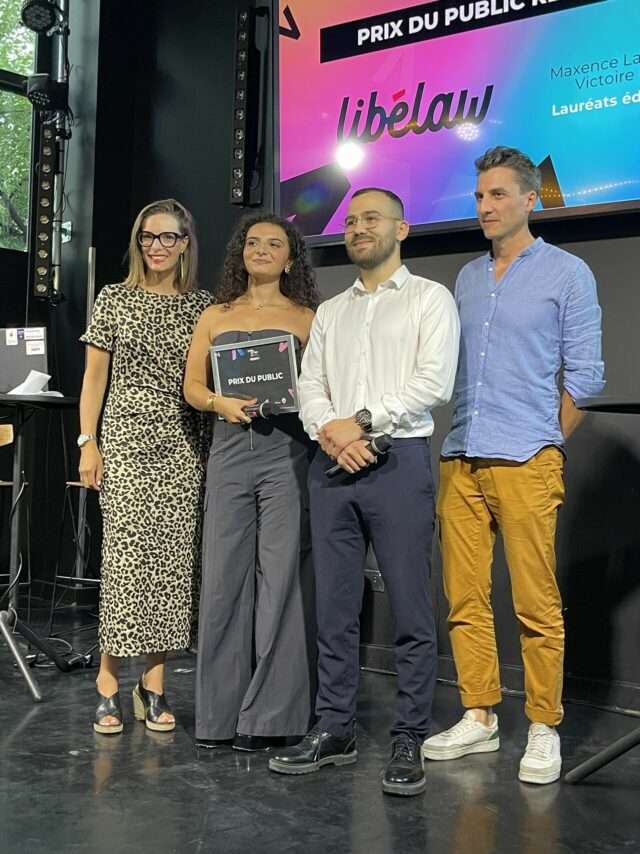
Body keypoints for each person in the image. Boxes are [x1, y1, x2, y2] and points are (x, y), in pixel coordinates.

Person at [422, 146, 605, 784]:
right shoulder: (468, 277)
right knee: (466, 598)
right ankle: (479, 713)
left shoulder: (567, 272)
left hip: (527, 457)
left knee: (535, 602)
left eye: (498, 195)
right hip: (461, 456)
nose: (485, 207)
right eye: (478, 197)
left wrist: (545, 441)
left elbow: (584, 376)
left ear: (531, 199)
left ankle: (544, 725)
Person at [268, 188, 460, 796]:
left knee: (410, 605)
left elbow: (434, 382)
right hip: (332, 462)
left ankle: (409, 734)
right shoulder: (331, 311)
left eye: (370, 219)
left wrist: (365, 423)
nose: (356, 228)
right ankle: (335, 729)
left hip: (398, 462)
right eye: (350, 221)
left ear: (401, 229)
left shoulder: (432, 299)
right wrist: (333, 433)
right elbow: (310, 388)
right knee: (335, 607)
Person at [183, 213, 319, 751]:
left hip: (289, 453)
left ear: (290, 259)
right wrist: (220, 402)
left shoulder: (309, 317)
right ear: (241, 253)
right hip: (230, 451)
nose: (261, 250)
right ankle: (218, 717)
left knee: (281, 578)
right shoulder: (214, 315)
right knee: (222, 581)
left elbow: (321, 386)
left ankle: (274, 718)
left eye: (274, 244)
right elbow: (193, 386)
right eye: (253, 242)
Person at [78, 198, 212, 735]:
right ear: (139, 243)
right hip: (127, 444)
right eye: (148, 237)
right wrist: (89, 442)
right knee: (126, 565)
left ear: (185, 243)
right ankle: (108, 681)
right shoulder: (114, 298)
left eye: (168, 237)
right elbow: (94, 381)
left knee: (172, 571)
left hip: (184, 448)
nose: (158, 247)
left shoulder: (204, 306)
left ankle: (153, 685)